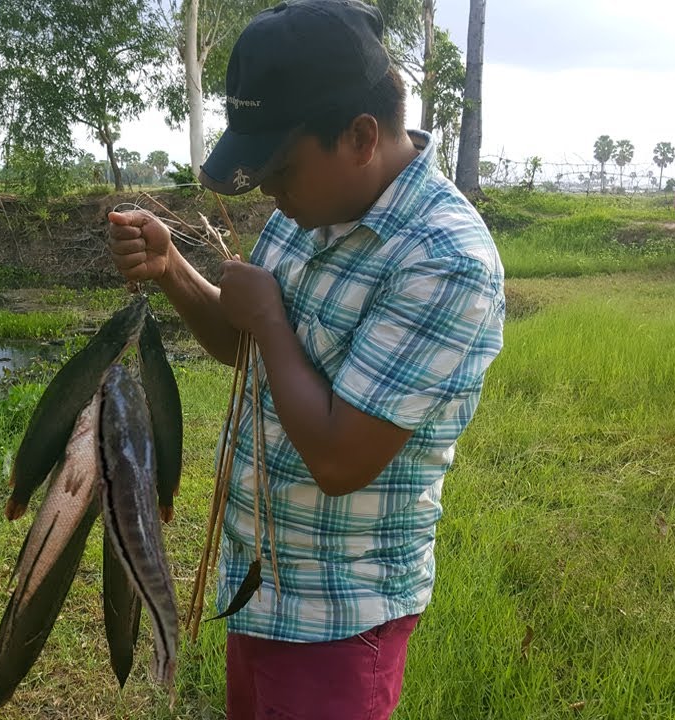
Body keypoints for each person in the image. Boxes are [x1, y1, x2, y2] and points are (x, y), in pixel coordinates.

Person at [107, 1, 504, 717]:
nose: (268, 191)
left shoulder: (445, 261)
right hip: (262, 589)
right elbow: (249, 350)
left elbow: (341, 460)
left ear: (360, 137)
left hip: (339, 619)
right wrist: (173, 271)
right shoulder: (309, 212)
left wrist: (268, 317)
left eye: (281, 169)